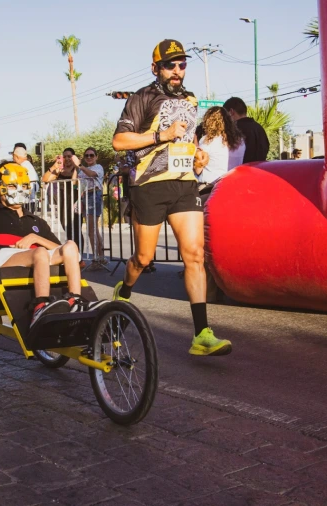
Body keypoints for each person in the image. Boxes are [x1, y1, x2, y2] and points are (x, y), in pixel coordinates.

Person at [112, 39, 232, 357]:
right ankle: (122, 294)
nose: (177, 70)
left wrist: (198, 154)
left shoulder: (191, 99)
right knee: (143, 259)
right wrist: (159, 136)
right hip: (149, 186)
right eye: (170, 65)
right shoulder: (142, 98)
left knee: (194, 254)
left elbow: (189, 137)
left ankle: (202, 334)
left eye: (181, 64)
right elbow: (119, 141)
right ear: (156, 68)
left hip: (183, 184)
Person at [0, 163, 106, 326]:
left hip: (33, 259)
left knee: (70, 246)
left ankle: (75, 300)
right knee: (39, 253)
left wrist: (35, 238)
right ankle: (40, 306)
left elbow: (59, 249)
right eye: (12, 185)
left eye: (23, 185)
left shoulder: (36, 222)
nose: (18, 190)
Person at [42, 148, 85, 261]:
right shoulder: (59, 171)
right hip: (63, 204)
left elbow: (74, 183)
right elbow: (45, 179)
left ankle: (79, 257)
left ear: (73, 157)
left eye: (69, 156)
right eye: (64, 156)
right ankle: (72, 255)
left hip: (75, 203)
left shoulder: (78, 170)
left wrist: (76, 167)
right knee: (66, 228)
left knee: (76, 229)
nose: (67, 158)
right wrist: (54, 166)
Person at [196, 106, 245, 199]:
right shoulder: (240, 141)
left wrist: (195, 143)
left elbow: (198, 169)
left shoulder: (208, 140)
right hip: (232, 187)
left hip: (208, 189)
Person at [79, 147, 106, 264]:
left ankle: (97, 258)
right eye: (87, 156)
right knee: (93, 228)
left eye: (91, 155)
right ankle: (100, 257)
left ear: (96, 156)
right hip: (85, 196)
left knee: (91, 228)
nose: (89, 157)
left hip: (94, 195)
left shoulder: (98, 167)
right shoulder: (81, 170)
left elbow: (92, 174)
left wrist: (80, 166)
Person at [223, 96, 270, 163]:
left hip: (240, 170)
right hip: (259, 170)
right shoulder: (259, 128)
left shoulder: (233, 129)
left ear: (231, 112)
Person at [11, 143, 40, 210]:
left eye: (13, 156)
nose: (13, 159)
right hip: (29, 198)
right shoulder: (26, 164)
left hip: (28, 200)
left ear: (17, 157)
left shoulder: (23, 166)